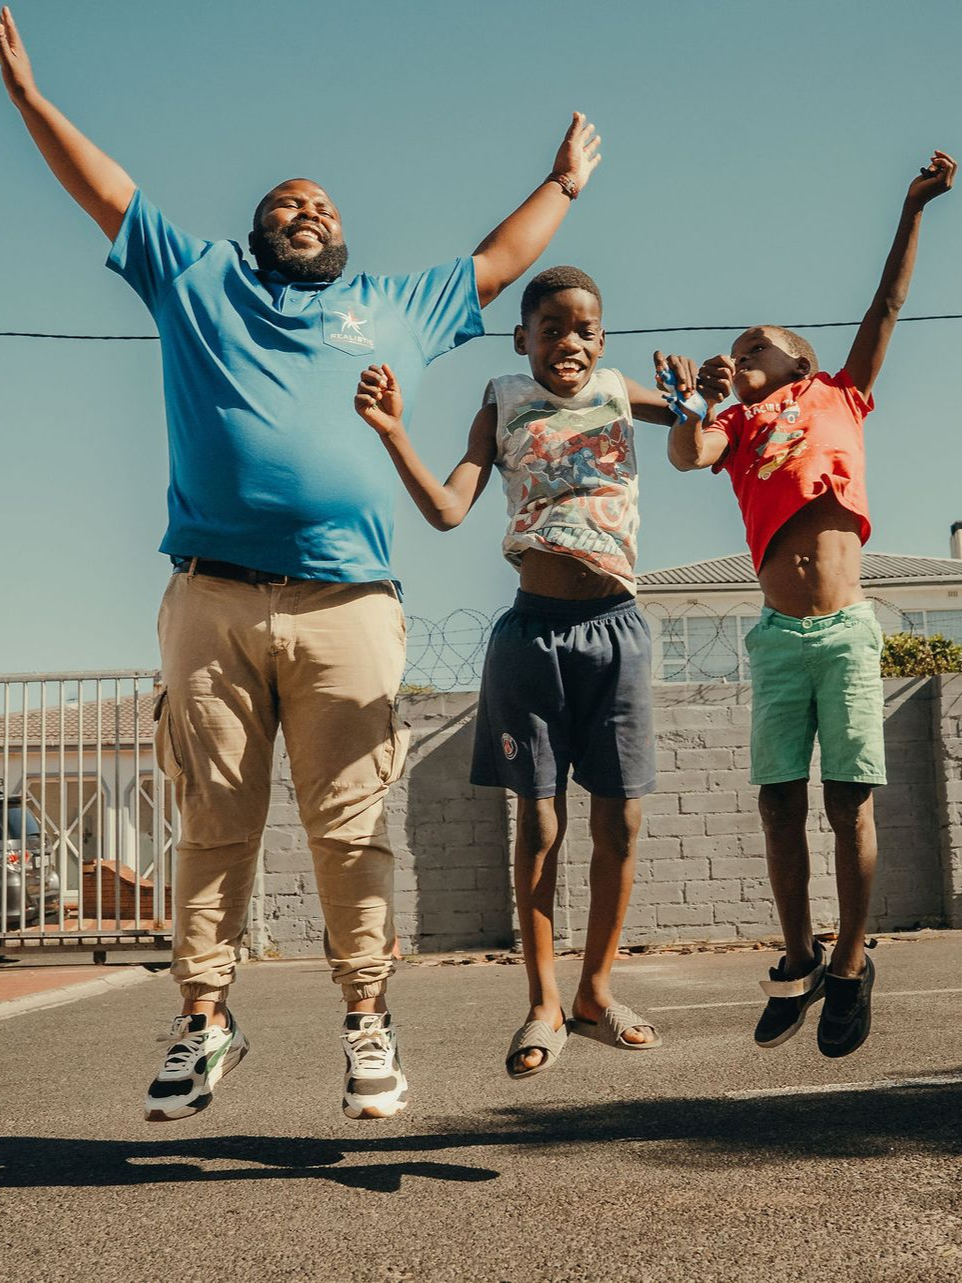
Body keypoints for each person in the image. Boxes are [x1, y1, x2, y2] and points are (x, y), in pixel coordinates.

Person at [0, 4, 605, 1121]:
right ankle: (203, 1021)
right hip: (210, 599)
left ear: (340, 235)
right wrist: (32, 101)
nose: (306, 211)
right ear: (259, 228)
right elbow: (107, 192)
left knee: (348, 822)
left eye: (321, 205)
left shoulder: (393, 307)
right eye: (287, 203)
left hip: (349, 606)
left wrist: (561, 185)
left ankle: (366, 1020)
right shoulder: (196, 281)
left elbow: (495, 260)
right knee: (213, 819)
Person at [354, 266, 698, 1077]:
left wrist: (698, 397)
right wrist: (392, 429)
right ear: (523, 338)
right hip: (530, 634)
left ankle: (595, 992)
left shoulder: (618, 392)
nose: (568, 341)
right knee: (539, 824)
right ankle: (542, 1001)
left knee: (620, 822)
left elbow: (694, 445)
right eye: (551, 327)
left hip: (615, 628)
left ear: (602, 341)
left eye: (584, 329)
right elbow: (446, 509)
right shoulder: (503, 399)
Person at [663, 151, 956, 1058]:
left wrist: (913, 209)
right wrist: (695, 401)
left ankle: (854, 960)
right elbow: (687, 456)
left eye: (759, 343)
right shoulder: (736, 426)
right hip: (779, 638)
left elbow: (889, 305)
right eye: (738, 347)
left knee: (848, 804)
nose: (743, 350)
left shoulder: (838, 394)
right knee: (777, 803)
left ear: (803, 359)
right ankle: (799, 956)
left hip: (845, 633)